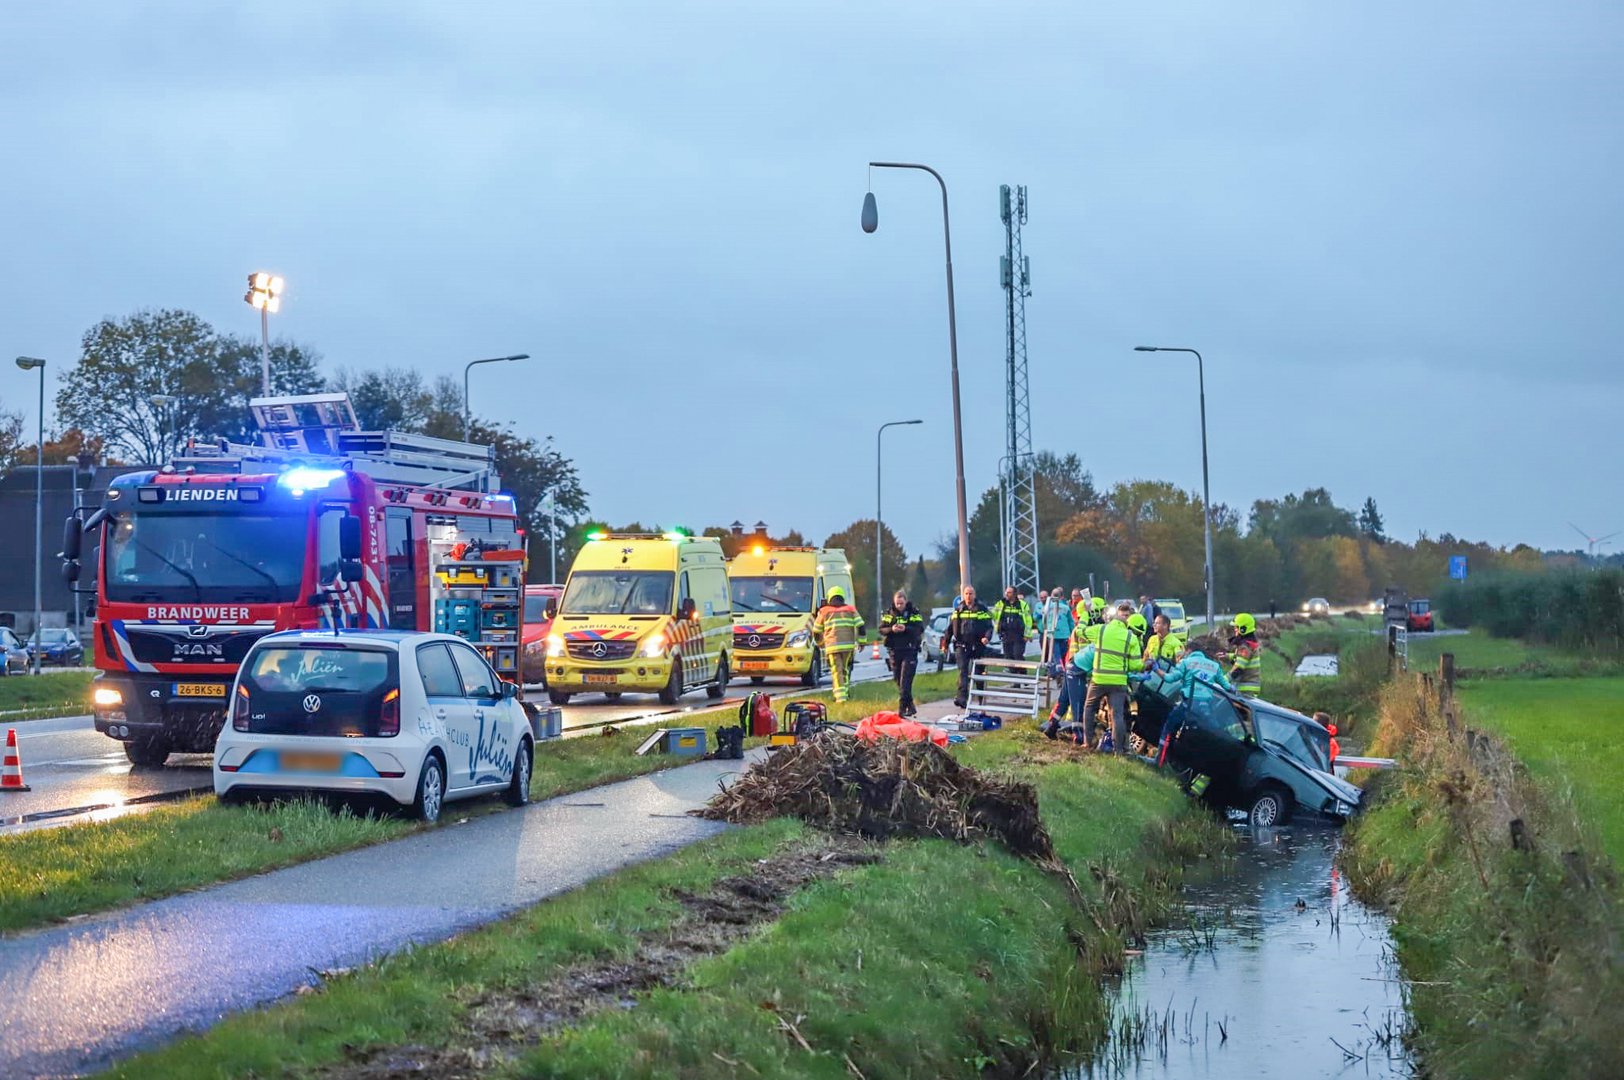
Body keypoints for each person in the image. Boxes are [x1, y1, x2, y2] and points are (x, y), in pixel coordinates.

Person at [1081, 601, 1144, 755]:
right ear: (1128, 619)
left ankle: (1087, 742)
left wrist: (1085, 614)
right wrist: (1144, 665)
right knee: (1117, 715)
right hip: (1118, 682)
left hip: (1099, 679)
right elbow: (1135, 665)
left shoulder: (1101, 630)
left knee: (1089, 708)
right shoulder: (1131, 637)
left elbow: (1080, 632)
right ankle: (1119, 751)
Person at [811, 586, 864, 703]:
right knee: (844, 670)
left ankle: (840, 698)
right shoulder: (850, 609)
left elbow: (816, 630)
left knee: (836, 671)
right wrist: (862, 642)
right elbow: (861, 625)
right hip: (848, 647)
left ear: (830, 597)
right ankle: (845, 693)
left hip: (832, 646)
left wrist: (820, 643)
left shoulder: (824, 611)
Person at [944, 585, 994, 708]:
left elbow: (989, 626)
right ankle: (962, 699)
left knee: (979, 673)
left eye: (970, 594)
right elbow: (950, 628)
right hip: (962, 645)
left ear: (974, 595)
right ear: (963, 595)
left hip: (978, 645)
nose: (968, 596)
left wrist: (986, 637)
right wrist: (945, 643)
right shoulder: (959, 609)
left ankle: (981, 698)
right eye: (966, 594)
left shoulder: (981, 609)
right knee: (963, 671)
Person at [879, 590, 924, 717]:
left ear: (905, 602)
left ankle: (902, 708)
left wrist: (906, 629)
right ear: (894, 602)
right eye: (897, 603)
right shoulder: (889, 613)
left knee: (905, 680)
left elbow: (919, 628)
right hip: (894, 650)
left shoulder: (913, 612)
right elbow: (881, 629)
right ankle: (910, 705)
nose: (899, 605)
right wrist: (891, 629)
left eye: (901, 603)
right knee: (898, 679)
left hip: (909, 650)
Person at [1226, 612, 1263, 698]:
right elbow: (1243, 658)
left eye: (1236, 627)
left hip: (1245, 688)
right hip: (1250, 688)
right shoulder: (1249, 644)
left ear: (1243, 629)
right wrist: (1228, 656)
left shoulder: (1245, 647)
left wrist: (1223, 680)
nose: (1235, 629)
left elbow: (1238, 668)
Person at [992, 587, 1033, 661]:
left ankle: (1021, 672)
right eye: (1006, 592)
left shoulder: (1022, 605)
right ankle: (1012, 671)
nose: (1006, 594)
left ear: (1015, 594)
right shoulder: (1001, 604)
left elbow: (1028, 621)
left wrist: (1027, 635)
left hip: (1019, 635)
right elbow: (992, 614)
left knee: (1017, 655)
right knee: (1008, 656)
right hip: (1006, 634)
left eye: (1009, 592)